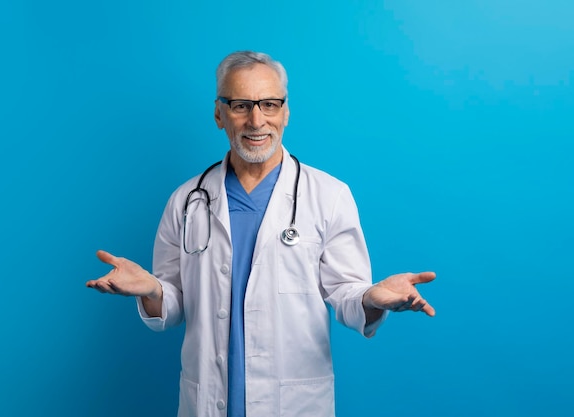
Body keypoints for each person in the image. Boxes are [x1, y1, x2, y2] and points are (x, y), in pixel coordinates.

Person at [86, 50, 436, 417]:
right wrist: (153, 290)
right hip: (207, 401)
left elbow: (345, 293)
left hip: (295, 404)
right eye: (241, 105)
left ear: (286, 112)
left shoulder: (330, 196)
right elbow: (172, 306)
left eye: (269, 104)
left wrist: (371, 297)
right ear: (219, 114)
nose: (257, 120)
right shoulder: (186, 201)